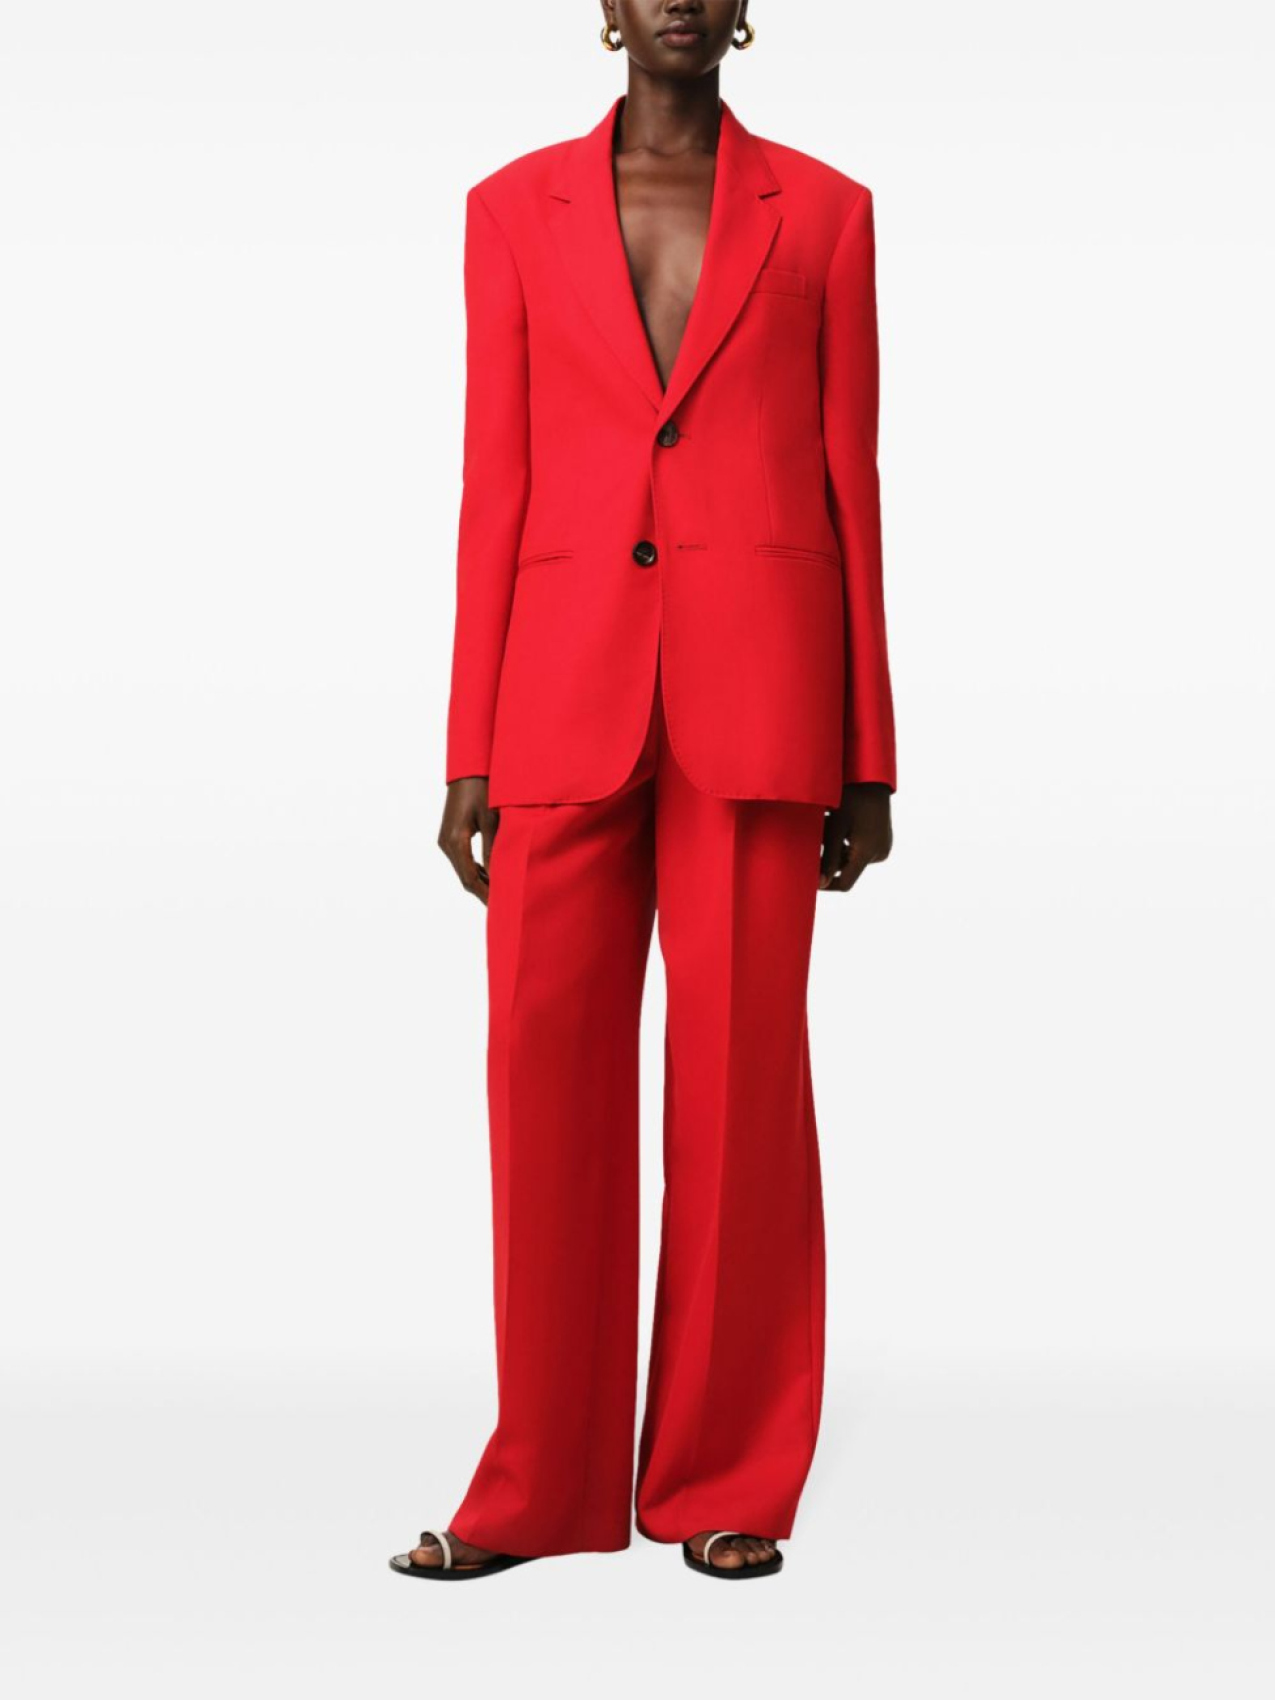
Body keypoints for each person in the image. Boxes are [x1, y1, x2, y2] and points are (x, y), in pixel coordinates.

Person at [390, 0, 896, 1584]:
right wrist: (468, 739)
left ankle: (727, 1477)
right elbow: (494, 479)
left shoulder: (827, 214)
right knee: (542, 1086)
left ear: (744, 11)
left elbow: (853, 478)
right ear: (607, 12)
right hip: (561, 691)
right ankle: (539, 1488)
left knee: (744, 1093)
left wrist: (869, 748)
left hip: (763, 694)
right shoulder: (509, 209)